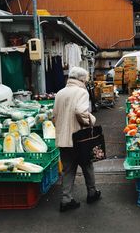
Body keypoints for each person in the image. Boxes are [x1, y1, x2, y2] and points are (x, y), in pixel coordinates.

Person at [53, 66, 101, 212]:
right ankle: (92, 193)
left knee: (68, 169)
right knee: (87, 165)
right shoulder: (81, 92)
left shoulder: (60, 93)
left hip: (63, 138)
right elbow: (80, 111)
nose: (86, 82)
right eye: (85, 80)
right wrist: (91, 120)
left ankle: (66, 200)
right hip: (79, 138)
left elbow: (54, 115)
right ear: (81, 79)